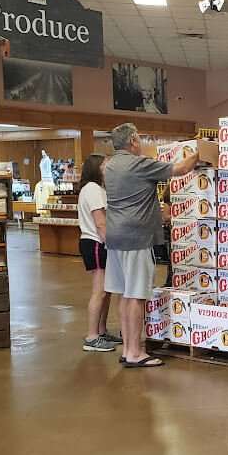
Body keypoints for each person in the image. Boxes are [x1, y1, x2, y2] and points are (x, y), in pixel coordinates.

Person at [104, 123, 197, 367]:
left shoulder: (110, 165)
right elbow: (182, 168)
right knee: (137, 295)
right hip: (136, 238)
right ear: (133, 140)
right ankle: (136, 352)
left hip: (115, 238)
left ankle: (127, 349)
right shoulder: (139, 164)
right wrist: (201, 151)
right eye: (140, 139)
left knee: (124, 294)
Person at [78, 154, 121, 352]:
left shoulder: (97, 189)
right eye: (104, 164)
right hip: (96, 243)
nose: (108, 167)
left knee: (107, 291)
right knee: (100, 291)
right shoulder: (93, 189)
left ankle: (101, 331)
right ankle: (92, 337)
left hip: (98, 242)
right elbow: (100, 222)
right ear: (96, 168)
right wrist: (112, 243)